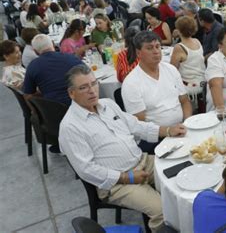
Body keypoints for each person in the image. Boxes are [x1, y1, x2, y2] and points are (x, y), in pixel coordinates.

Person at [58, 65, 181, 232]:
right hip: (116, 183)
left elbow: (136, 125)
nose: (92, 91)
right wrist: (126, 177)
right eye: (83, 87)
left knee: (180, 172)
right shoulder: (70, 127)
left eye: (94, 83)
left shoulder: (108, 104)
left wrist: (166, 130)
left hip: (143, 161)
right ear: (71, 93)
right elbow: (86, 169)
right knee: (161, 210)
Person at [121, 31, 191, 137]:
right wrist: (168, 131)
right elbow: (140, 125)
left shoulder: (171, 69)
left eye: (158, 46)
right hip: (157, 137)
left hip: (182, 128)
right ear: (138, 53)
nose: (156, 51)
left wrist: (187, 124)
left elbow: (185, 101)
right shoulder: (131, 83)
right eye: (149, 48)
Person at [23, 34, 83, 106]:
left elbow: (28, 95)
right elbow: (89, 75)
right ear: (53, 44)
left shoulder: (32, 66)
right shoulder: (71, 58)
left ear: (35, 51)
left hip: (53, 110)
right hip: (79, 104)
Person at [170, 16, 205, 95]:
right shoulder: (197, 41)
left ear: (179, 30)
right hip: (202, 81)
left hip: (190, 85)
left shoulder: (179, 47)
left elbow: (172, 68)